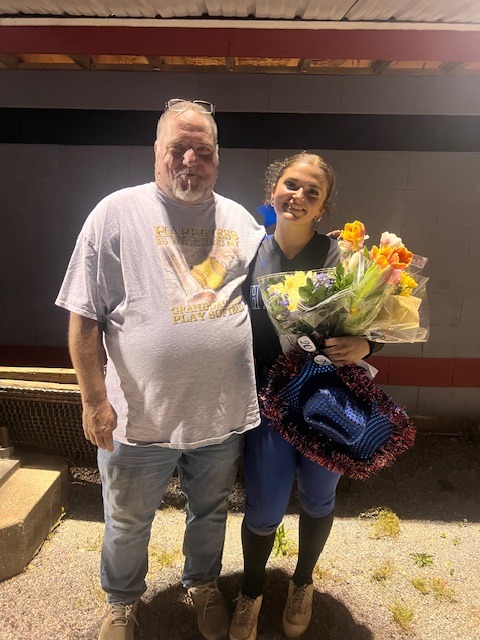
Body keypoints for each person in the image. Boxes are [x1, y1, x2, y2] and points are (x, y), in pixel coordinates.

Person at [56, 99, 265, 640]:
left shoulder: (240, 221)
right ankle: (122, 602)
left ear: (218, 157)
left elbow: (279, 293)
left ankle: (203, 584)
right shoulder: (116, 213)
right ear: (156, 151)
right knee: (127, 521)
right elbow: (83, 316)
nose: (190, 160)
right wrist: (93, 400)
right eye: (178, 148)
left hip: (219, 415)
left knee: (211, 512)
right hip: (138, 419)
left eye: (204, 151)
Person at [229, 153, 381, 640]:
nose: (299, 196)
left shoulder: (344, 260)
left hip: (326, 401)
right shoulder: (246, 252)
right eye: (291, 185)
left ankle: (303, 581)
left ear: (323, 207)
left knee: (319, 496)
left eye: (312, 192)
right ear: (273, 190)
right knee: (264, 506)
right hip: (268, 402)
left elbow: (376, 318)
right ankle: (251, 592)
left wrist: (365, 344)